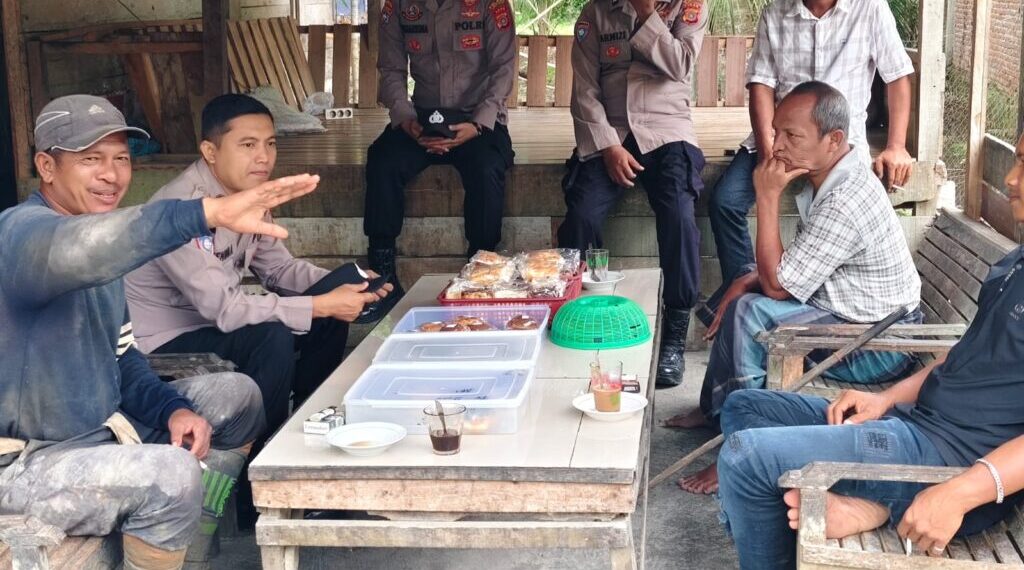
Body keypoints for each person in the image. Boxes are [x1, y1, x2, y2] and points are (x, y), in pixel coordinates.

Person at [0, 95, 318, 569]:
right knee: (170, 476)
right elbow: (79, 248)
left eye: (121, 159)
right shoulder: (23, 235)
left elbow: (123, 359)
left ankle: (193, 548)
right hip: (25, 463)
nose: (111, 175)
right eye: (91, 160)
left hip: (98, 430)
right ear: (47, 167)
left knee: (239, 397)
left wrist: (173, 410)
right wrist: (205, 214)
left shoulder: (100, 238)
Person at [716, 131, 1024, 570]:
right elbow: (962, 355)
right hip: (914, 422)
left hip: (946, 458)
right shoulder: (1016, 261)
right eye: (1016, 160)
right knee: (744, 407)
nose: (1010, 178)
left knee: (745, 459)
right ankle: (871, 504)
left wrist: (958, 493)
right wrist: (885, 399)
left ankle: (870, 504)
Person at [672, 82, 922, 494]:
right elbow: (792, 269)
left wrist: (766, 197)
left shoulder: (845, 199)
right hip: (854, 320)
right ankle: (716, 409)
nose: (777, 146)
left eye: (792, 136)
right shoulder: (831, 177)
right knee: (745, 284)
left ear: (834, 139)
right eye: (776, 132)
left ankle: (739, 449)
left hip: (878, 346)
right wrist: (749, 277)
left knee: (752, 311)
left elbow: (777, 286)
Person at [126, 94, 390, 437]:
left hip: (214, 325)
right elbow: (224, 310)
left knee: (328, 305)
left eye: (270, 144)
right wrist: (320, 304)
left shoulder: (249, 195)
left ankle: (312, 417)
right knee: (272, 335)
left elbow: (280, 270)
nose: (263, 157)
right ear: (210, 151)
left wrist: (348, 283)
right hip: (167, 339)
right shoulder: (183, 208)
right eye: (248, 145)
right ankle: (267, 443)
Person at [702, 0, 916, 327]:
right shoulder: (775, 13)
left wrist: (896, 146)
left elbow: (897, 75)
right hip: (782, 137)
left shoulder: (870, 8)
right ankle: (746, 284)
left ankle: (767, 295)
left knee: (837, 213)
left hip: (836, 146)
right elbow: (761, 85)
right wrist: (770, 151)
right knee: (725, 200)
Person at [557, 0, 708, 387]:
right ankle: (583, 315)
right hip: (610, 132)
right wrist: (608, 145)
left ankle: (673, 337)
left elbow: (680, 64)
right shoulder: (596, 12)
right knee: (581, 215)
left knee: (679, 215)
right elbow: (585, 89)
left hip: (666, 130)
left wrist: (646, 15)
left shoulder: (689, 6)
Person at [364, 0, 517, 301]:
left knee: (487, 167)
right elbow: (391, 69)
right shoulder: (398, 6)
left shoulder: (491, 4)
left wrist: (478, 123)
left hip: (478, 117)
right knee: (382, 161)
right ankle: (381, 270)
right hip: (421, 118)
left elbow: (503, 69)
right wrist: (405, 118)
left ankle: (481, 266)